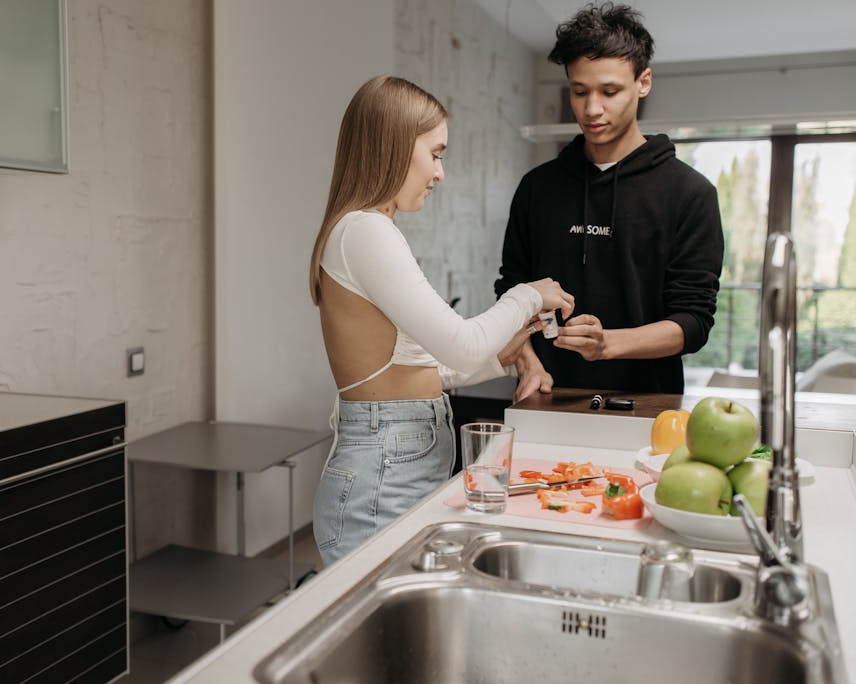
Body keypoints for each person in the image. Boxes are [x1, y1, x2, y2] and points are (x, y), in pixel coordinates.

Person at [310, 75, 575, 565]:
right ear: (393, 144)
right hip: (385, 474)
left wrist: (511, 352)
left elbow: (425, 369)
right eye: (435, 153)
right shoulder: (366, 230)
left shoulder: (365, 230)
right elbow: (461, 345)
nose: (440, 172)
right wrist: (526, 294)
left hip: (392, 462)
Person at [495, 2, 724, 400]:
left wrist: (608, 344)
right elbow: (510, 292)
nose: (592, 109)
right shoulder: (537, 187)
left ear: (644, 82)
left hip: (648, 408)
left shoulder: (690, 194)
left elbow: (693, 321)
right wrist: (527, 362)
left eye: (610, 91)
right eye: (579, 92)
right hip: (546, 397)